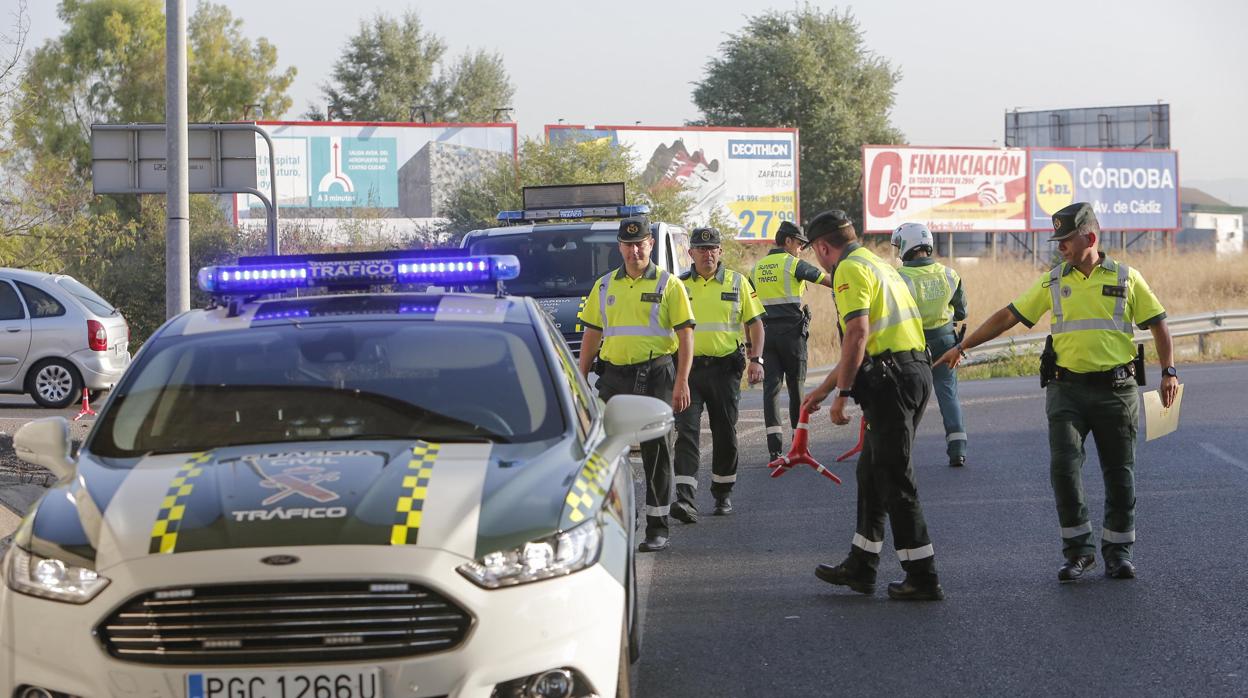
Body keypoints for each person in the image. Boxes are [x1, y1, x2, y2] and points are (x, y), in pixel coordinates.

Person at [935, 202, 1178, 582]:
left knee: (1120, 473)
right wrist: (964, 346)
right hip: (1067, 391)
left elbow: (1160, 325)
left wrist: (1169, 372)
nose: (1060, 246)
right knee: (1064, 470)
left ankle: (1119, 553)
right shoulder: (1053, 281)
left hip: (1117, 391)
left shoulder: (1129, 278)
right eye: (1058, 240)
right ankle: (1079, 552)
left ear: (1090, 237)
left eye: (1066, 239)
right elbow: (1008, 315)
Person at [799, 209, 944, 601]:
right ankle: (861, 567)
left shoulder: (847, 269)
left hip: (892, 381)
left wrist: (842, 394)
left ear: (823, 247)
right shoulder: (877, 264)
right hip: (910, 370)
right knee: (871, 471)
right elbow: (863, 343)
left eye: (814, 251)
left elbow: (857, 334)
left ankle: (923, 576)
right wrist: (825, 389)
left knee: (895, 477)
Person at [578, 215, 695, 553]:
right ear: (619, 247)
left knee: (656, 450)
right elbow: (592, 333)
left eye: (640, 243)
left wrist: (682, 381)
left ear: (651, 245)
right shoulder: (604, 286)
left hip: (657, 373)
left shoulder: (669, 284)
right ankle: (609, 524)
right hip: (614, 376)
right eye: (628, 245)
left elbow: (686, 335)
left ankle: (657, 526)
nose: (634, 250)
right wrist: (582, 376)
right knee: (602, 449)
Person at [672, 226, 766, 521]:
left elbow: (756, 324)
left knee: (725, 432)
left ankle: (722, 492)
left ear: (720, 252)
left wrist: (756, 359)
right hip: (689, 371)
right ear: (691, 253)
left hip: (725, 371)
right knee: (686, 432)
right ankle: (685, 499)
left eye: (713, 248)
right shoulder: (678, 285)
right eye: (701, 249)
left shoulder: (738, 282)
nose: (708, 254)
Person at [750, 221, 833, 462]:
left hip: (765, 336)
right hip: (792, 336)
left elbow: (749, 310)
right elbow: (826, 280)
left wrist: (750, 346)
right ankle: (799, 446)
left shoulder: (756, 269)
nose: (800, 249)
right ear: (787, 241)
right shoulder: (792, 263)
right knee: (796, 388)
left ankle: (775, 450)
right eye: (798, 244)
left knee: (771, 391)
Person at [893, 222, 970, 467]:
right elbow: (961, 311)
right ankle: (957, 449)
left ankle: (902, 451)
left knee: (907, 397)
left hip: (913, 345)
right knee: (948, 394)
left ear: (906, 246)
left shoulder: (899, 278)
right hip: (947, 341)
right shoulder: (950, 274)